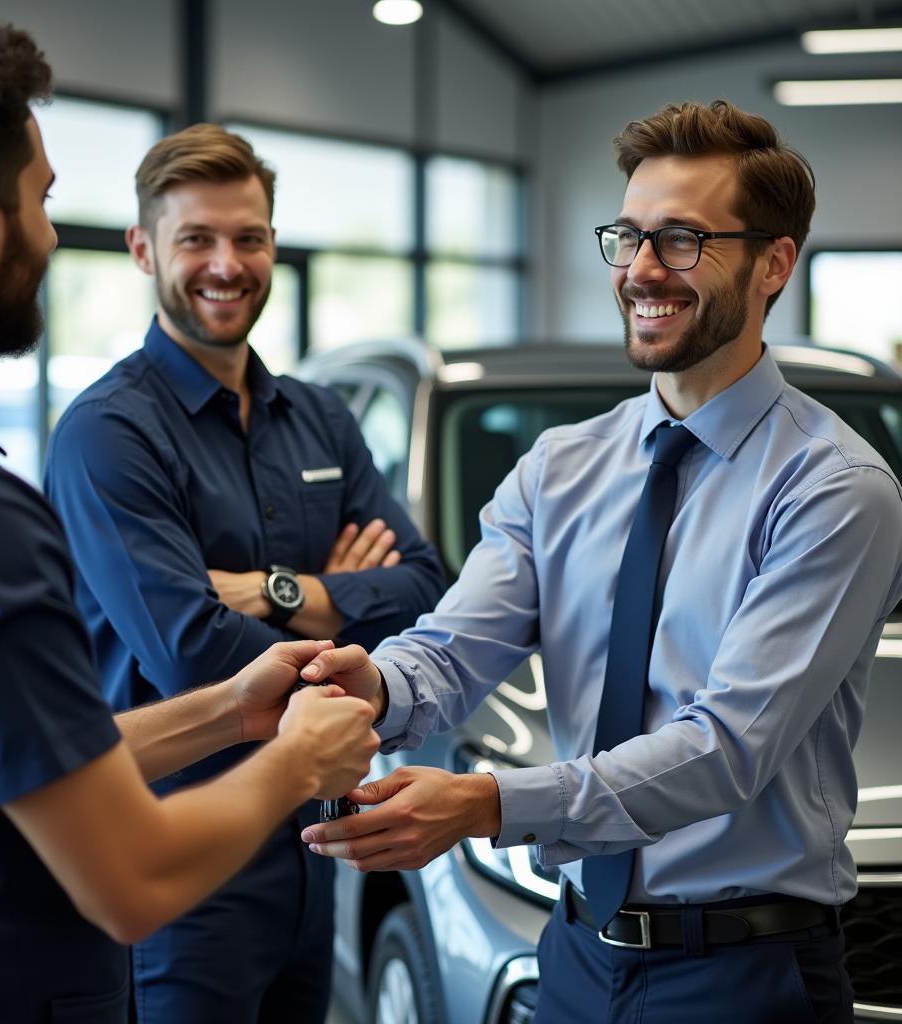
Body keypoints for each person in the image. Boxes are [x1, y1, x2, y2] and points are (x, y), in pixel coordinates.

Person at [298, 100, 902, 1023]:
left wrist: (488, 804)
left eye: (684, 240)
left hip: (744, 976)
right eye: (628, 237)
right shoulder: (562, 466)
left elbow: (726, 748)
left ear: (775, 262)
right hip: (574, 955)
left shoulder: (833, 489)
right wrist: (373, 685)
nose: (643, 270)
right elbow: (457, 647)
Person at [0, 8, 380, 1023]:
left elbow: (9, 750)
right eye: (42, 200)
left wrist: (234, 708)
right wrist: (293, 756)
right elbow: (131, 876)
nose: (51, 234)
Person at [43, 124, 445, 1022]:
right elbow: (191, 650)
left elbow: (424, 584)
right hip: (179, 869)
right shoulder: (110, 434)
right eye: (197, 238)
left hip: (311, 853)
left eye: (249, 237)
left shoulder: (321, 419)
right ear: (144, 249)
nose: (227, 263)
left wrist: (274, 591)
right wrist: (343, 623)